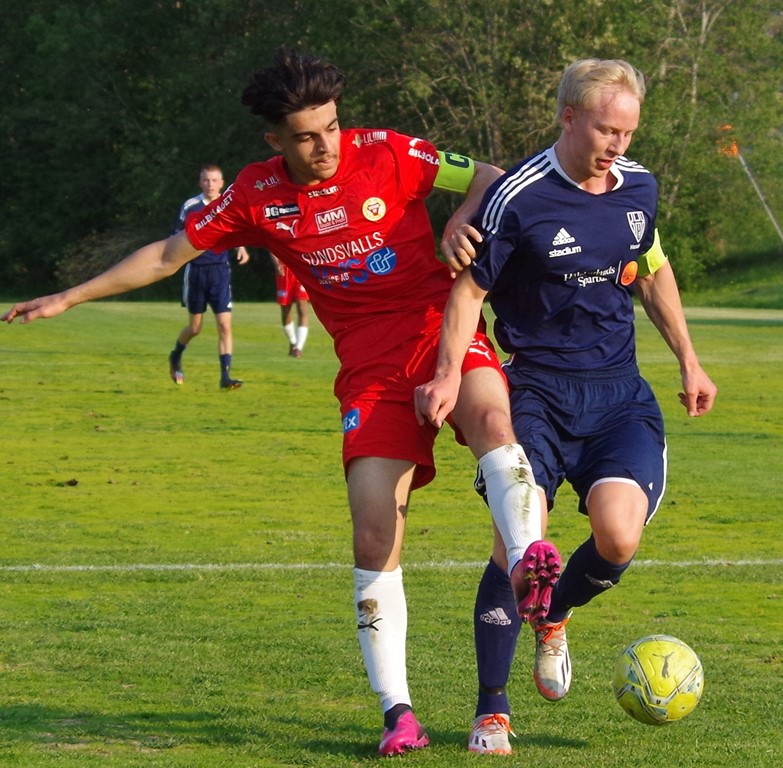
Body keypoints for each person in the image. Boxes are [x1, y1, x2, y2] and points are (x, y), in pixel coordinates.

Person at [2, 47, 562, 758]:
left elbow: (488, 176)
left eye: (330, 127)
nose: (325, 145)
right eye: (305, 135)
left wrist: (463, 218)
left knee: (491, 417)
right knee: (372, 535)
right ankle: (398, 712)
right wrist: (70, 294)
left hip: (438, 331)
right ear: (275, 141)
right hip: (368, 370)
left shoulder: (391, 151)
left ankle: (527, 560)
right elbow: (170, 252)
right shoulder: (255, 195)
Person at [415, 58, 717, 754]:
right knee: (517, 542)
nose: (619, 144)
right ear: (570, 118)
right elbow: (467, 293)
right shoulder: (519, 196)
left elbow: (651, 270)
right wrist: (447, 377)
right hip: (536, 394)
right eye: (607, 129)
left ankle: (554, 615)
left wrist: (690, 361)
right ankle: (492, 708)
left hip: (617, 396)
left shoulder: (639, 187)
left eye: (629, 131)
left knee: (618, 539)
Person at [168, 164, 251, 389]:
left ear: (222, 183)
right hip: (196, 271)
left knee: (225, 325)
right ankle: (175, 356)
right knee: (195, 328)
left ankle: (225, 376)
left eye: (214, 181)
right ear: (200, 182)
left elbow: (237, 229)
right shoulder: (190, 207)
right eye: (206, 180)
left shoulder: (227, 204)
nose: (210, 185)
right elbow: (175, 238)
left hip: (220, 271)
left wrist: (240, 247)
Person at [270, 251, 310, 357]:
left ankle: (298, 348)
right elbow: (270, 246)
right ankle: (293, 342)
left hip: (300, 269)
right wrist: (276, 263)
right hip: (284, 270)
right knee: (286, 311)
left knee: (302, 308)